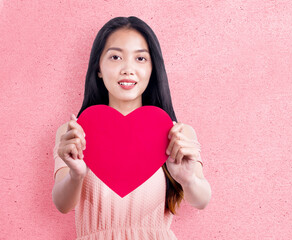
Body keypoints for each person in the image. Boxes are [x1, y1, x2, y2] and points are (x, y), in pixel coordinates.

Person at [52, 16, 211, 239]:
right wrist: (76, 175)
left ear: (153, 69)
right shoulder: (74, 133)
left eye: (140, 59)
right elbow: (62, 204)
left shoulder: (177, 134)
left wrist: (187, 179)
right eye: (115, 57)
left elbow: (201, 200)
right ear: (98, 67)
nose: (128, 69)